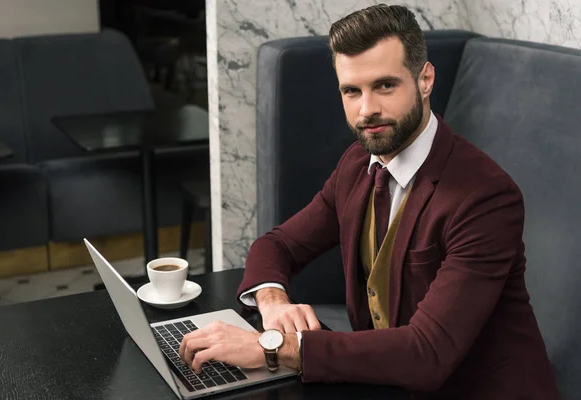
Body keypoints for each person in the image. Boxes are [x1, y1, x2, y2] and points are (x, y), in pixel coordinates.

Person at [179, 4, 558, 398]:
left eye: (385, 86)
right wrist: (273, 304)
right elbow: (277, 244)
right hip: (387, 385)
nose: (367, 109)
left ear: (425, 79)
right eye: (352, 91)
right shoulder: (357, 165)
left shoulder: (486, 197)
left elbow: (426, 352)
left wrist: (271, 348)